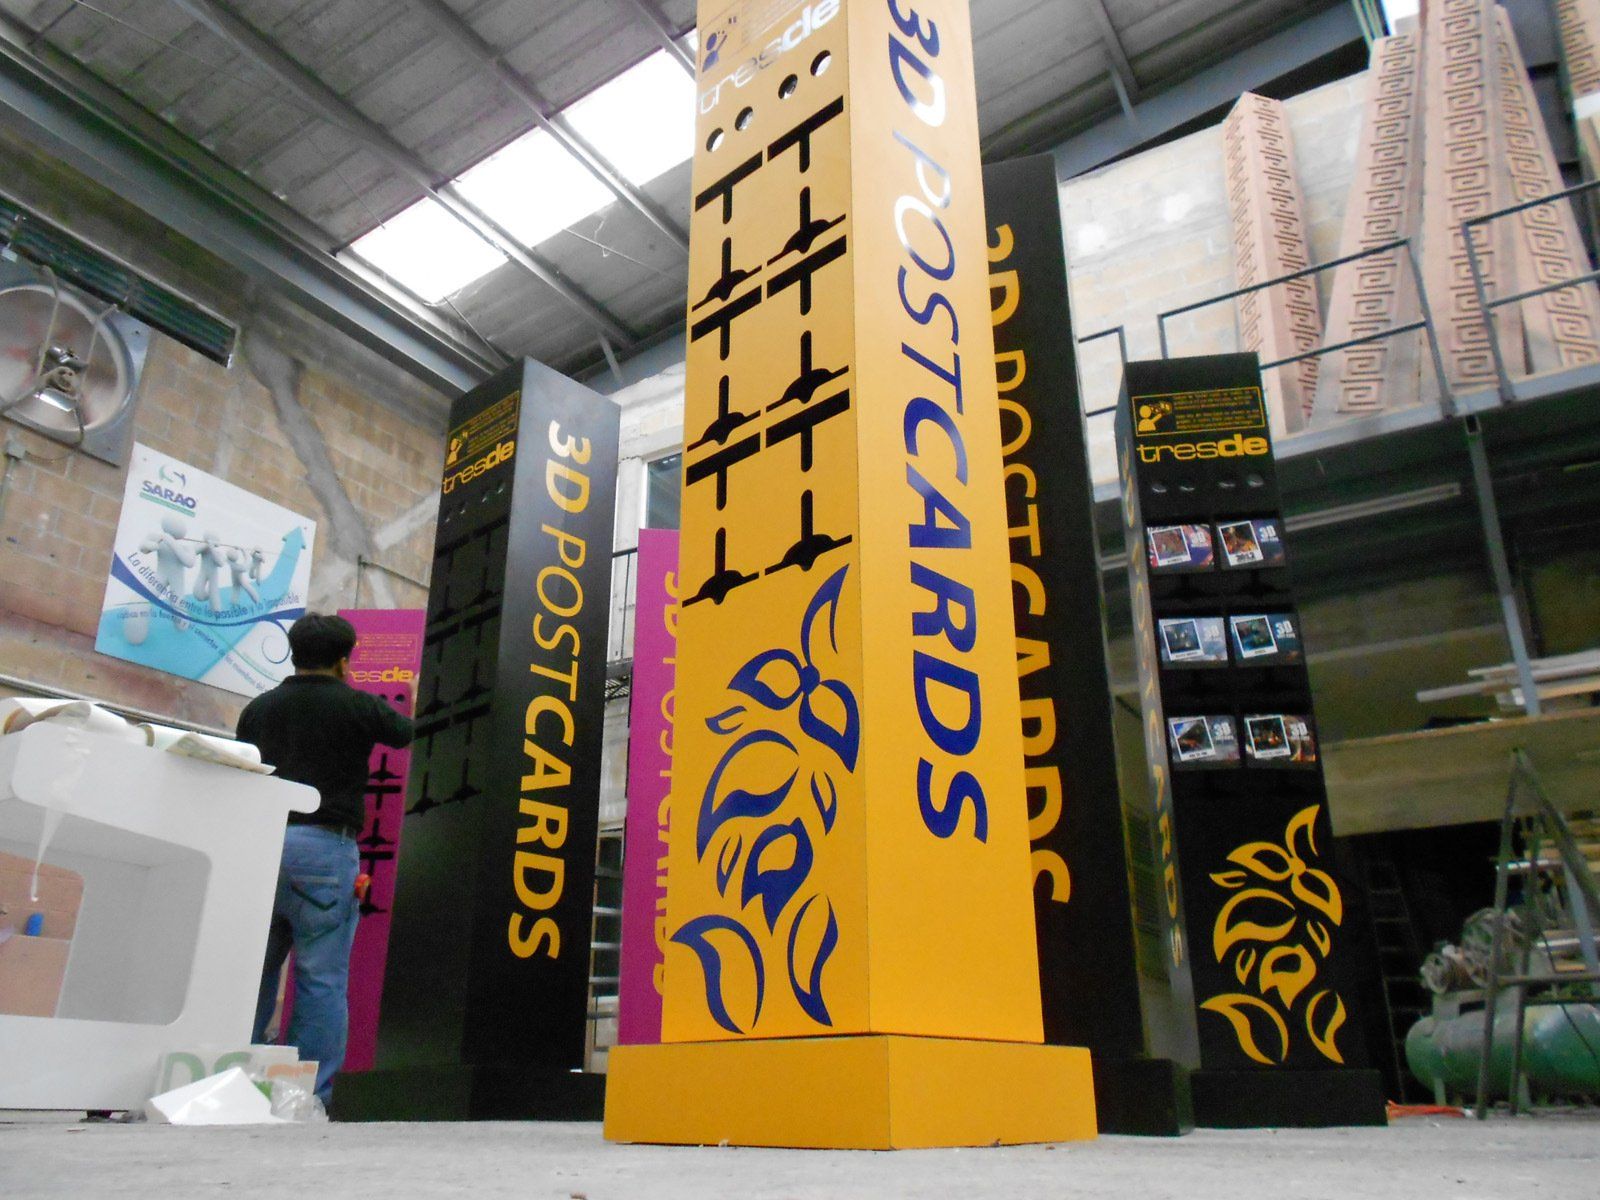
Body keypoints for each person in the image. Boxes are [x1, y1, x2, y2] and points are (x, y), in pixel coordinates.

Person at [237, 613, 414, 1106]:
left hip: (260, 842)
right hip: (323, 847)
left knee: (253, 973)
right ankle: (306, 1095)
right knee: (320, 977)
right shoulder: (356, 705)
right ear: (343, 660)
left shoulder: (258, 709)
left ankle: (235, 1082)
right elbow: (405, 733)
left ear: (293, 654)